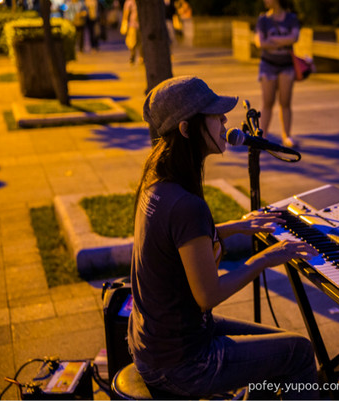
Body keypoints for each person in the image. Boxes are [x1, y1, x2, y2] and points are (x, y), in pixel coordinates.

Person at [128, 75, 320, 399]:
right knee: (298, 352)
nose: (225, 122)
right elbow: (208, 295)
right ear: (187, 130)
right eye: (216, 117)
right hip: (183, 362)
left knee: (280, 344)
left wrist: (237, 226)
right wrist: (267, 258)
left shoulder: (157, 179)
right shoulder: (186, 205)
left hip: (159, 343)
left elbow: (180, 244)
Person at [255, 0, 300, 148]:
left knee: (285, 102)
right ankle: (263, 136)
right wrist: (283, 42)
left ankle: (286, 136)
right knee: (267, 102)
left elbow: (294, 38)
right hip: (268, 65)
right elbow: (260, 42)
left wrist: (272, 39)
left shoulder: (291, 18)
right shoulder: (263, 19)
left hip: (286, 66)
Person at [120, 0, 142, 64]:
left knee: (140, 41)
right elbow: (126, 13)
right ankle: (133, 56)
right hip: (132, 25)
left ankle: (141, 56)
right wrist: (124, 23)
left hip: (141, 25)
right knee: (132, 42)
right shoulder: (129, 2)